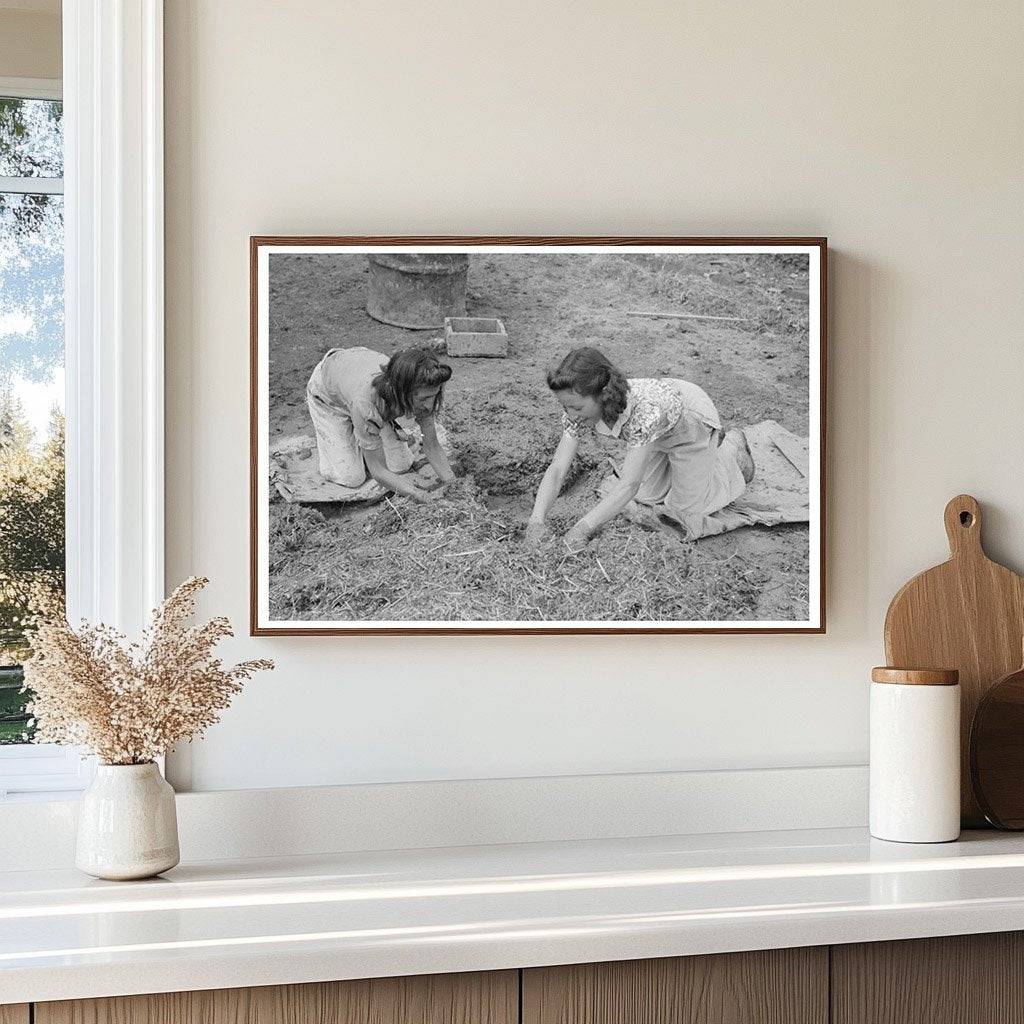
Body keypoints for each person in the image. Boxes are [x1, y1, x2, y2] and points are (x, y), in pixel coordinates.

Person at [527, 346, 754, 548]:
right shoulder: (575, 412)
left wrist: (582, 529)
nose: (571, 415)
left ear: (603, 396)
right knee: (647, 496)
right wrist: (536, 521)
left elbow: (629, 485)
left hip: (691, 423)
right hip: (656, 433)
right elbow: (558, 468)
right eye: (565, 406)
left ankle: (730, 451)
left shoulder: (644, 412)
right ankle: (682, 466)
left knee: (684, 512)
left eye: (576, 408)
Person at [306, 345, 456, 502]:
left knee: (401, 465)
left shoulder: (422, 386)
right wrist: (417, 494)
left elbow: (431, 445)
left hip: (363, 381)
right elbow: (378, 470)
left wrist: (452, 483)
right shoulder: (367, 403)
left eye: (433, 396)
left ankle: (366, 433)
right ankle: (358, 431)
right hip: (329, 398)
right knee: (351, 477)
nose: (429, 405)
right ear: (403, 393)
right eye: (424, 399)